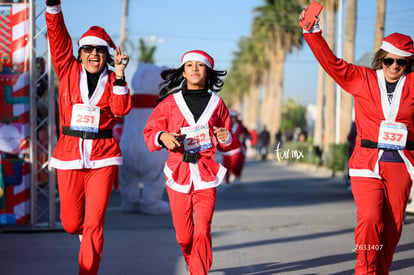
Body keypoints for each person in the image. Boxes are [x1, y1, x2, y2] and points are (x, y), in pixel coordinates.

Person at [300, 6, 414, 274]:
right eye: (389, 61)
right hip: (366, 162)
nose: (394, 66)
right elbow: (332, 63)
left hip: (401, 164)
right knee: (370, 218)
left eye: (402, 62)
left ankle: (378, 271)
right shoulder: (362, 78)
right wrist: (312, 31)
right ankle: (365, 269)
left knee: (394, 226)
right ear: (381, 59)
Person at [45, 1, 132, 274]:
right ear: (79, 53)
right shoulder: (67, 69)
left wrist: (119, 77)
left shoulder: (113, 78)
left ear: (107, 55)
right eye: (88, 49)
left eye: (100, 50)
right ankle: (84, 234)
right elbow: (57, 35)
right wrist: (52, 6)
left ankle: (88, 270)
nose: (94, 54)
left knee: (95, 223)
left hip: (103, 156)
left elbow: (120, 110)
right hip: (69, 154)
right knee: (72, 223)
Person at [143, 50, 240, 275]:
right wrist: (162, 137)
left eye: (200, 65)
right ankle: (191, 259)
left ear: (208, 72)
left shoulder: (218, 104)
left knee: (202, 230)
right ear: (183, 72)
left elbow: (227, 141)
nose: (195, 68)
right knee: (184, 236)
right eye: (190, 65)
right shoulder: (169, 103)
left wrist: (227, 137)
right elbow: (150, 132)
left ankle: (199, 271)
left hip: (206, 174)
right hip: (178, 174)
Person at [119, 62, 170, 215]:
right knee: (154, 176)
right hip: (151, 148)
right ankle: (151, 203)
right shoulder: (161, 103)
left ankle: (130, 201)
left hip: (127, 147)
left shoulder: (129, 101)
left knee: (128, 176)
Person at [221, 110, 250, 184]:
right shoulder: (225, 125)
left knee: (235, 163)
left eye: (234, 117)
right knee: (226, 165)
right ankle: (227, 180)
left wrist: (243, 137)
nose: (233, 119)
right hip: (226, 149)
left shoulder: (240, 126)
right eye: (231, 117)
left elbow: (246, 134)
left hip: (236, 148)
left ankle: (235, 175)